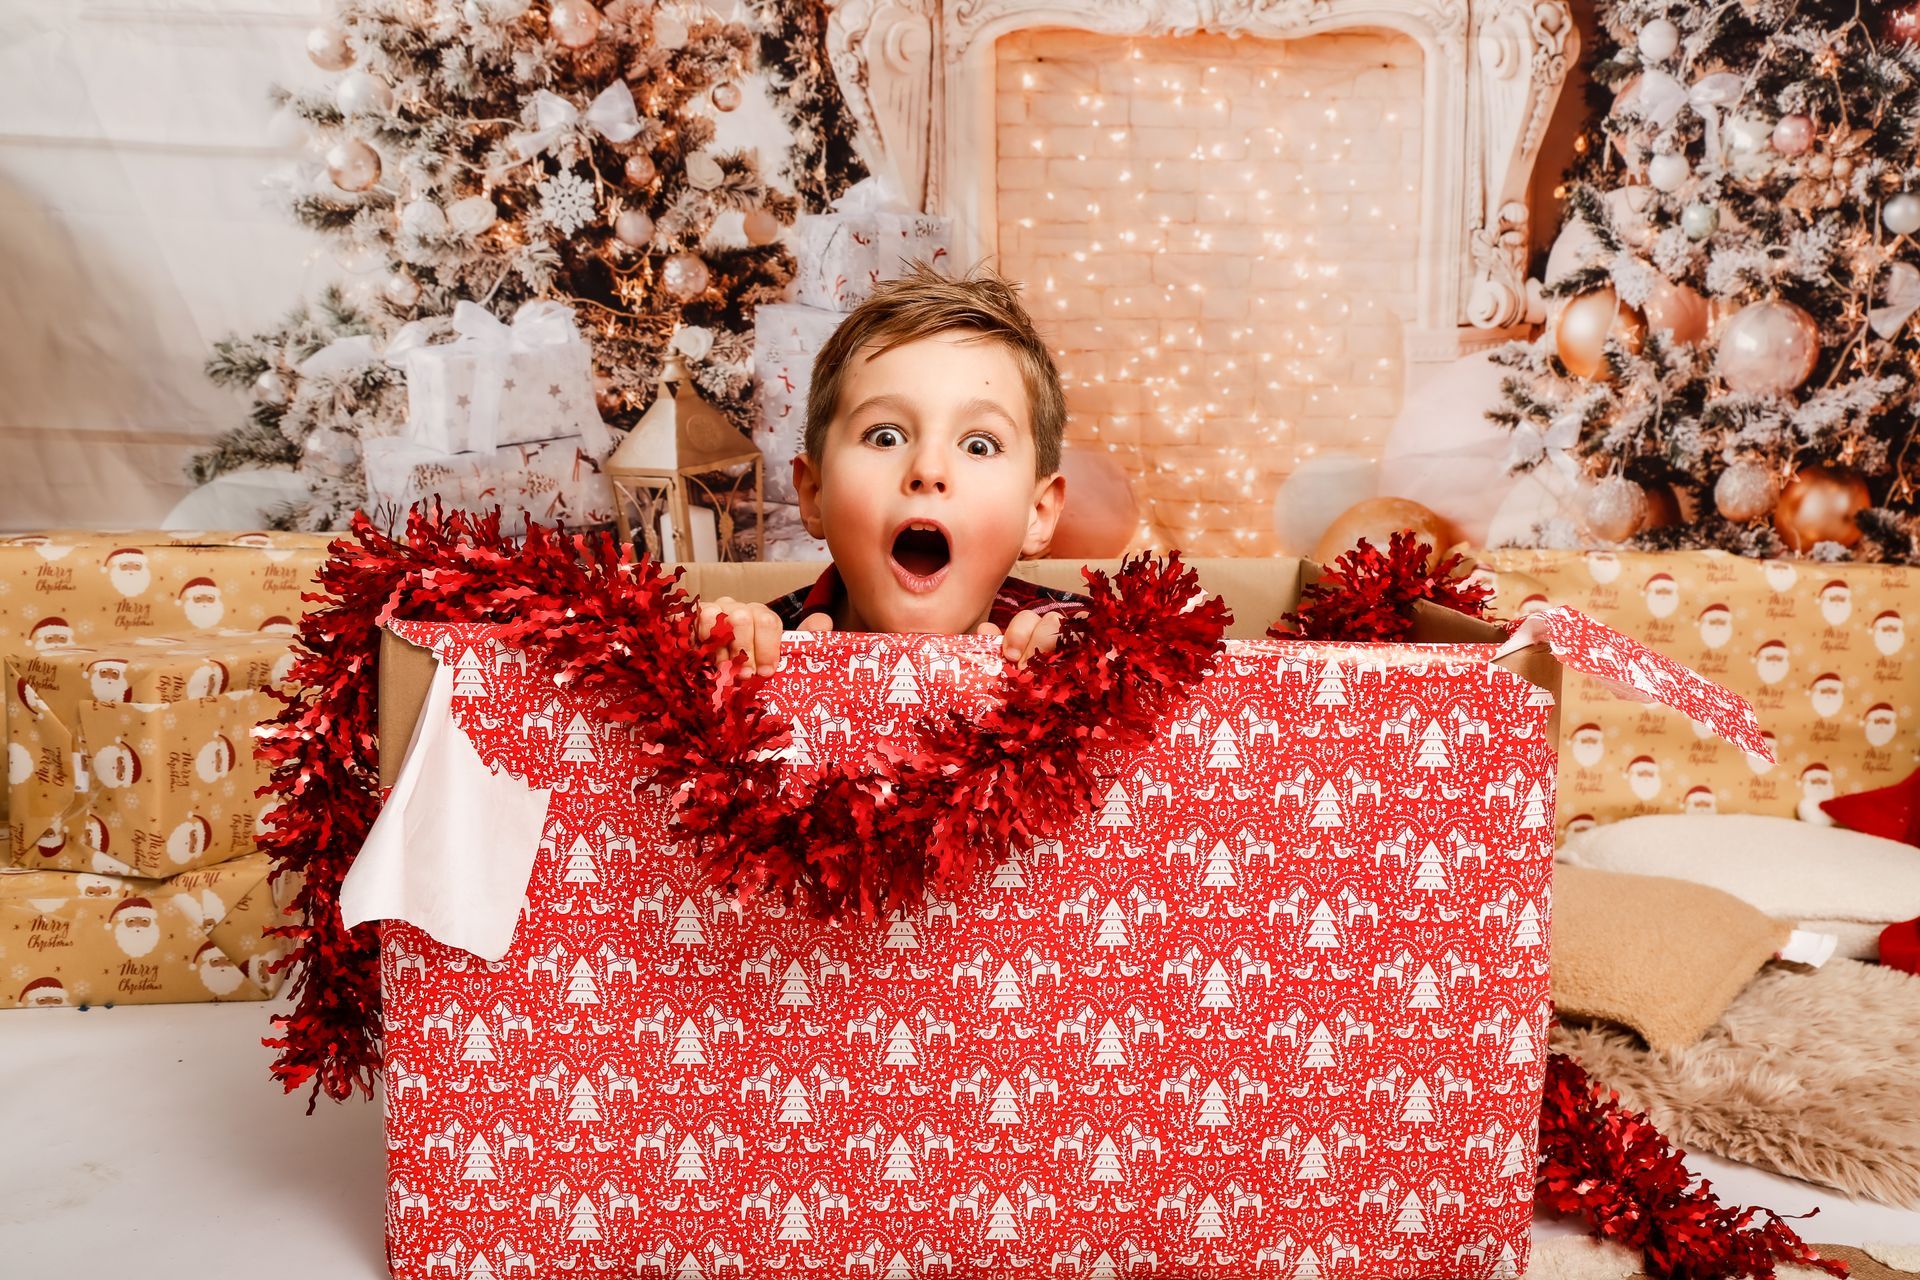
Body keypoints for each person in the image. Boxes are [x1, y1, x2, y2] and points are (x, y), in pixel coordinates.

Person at [697, 259, 1093, 675]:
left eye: (979, 446)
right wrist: (701, 674)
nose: (928, 469)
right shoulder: (754, 654)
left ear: (1039, 513)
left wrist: (1108, 696)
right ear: (815, 493)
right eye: (885, 437)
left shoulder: (1091, 651)